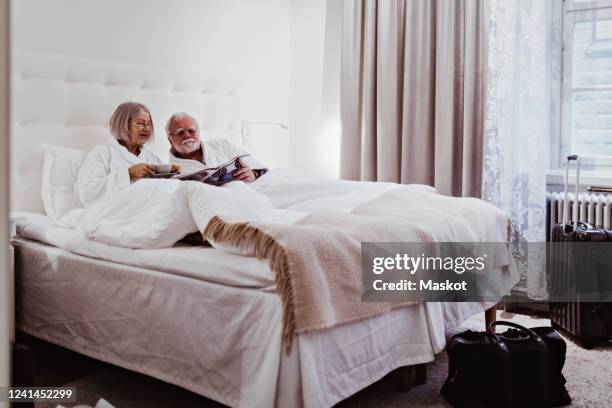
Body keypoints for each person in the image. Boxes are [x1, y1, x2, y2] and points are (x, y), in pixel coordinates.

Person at [77, 102, 178, 207]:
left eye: (149, 124)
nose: (147, 128)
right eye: (140, 123)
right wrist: (129, 174)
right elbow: (88, 193)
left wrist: (171, 175)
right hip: (117, 213)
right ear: (123, 124)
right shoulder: (103, 153)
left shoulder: (152, 158)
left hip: (152, 211)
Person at [166, 112, 267, 182]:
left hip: (249, 191)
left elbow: (254, 164)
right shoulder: (172, 174)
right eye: (180, 132)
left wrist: (254, 174)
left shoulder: (221, 145)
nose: (187, 136)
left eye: (191, 130)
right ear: (170, 140)